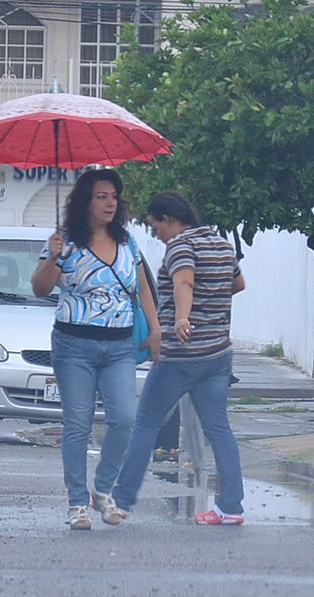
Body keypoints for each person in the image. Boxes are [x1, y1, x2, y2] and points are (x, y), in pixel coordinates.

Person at [31, 168, 160, 531]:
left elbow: (142, 289)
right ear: (85, 201)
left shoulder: (127, 241)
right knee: (77, 423)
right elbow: (41, 288)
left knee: (124, 419)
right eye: (101, 196)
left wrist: (155, 329)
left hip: (119, 344)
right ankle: (77, 502)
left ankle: (102, 490)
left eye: (113, 196)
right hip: (73, 344)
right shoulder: (63, 241)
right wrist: (53, 257)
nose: (109, 203)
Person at [111, 191, 247, 525]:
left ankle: (122, 499)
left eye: (157, 228)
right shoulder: (220, 244)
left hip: (181, 353)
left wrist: (184, 316)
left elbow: (183, 280)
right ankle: (230, 506)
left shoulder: (181, 246)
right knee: (219, 429)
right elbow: (239, 284)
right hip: (217, 352)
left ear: (168, 219)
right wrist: (209, 299)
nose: (158, 235)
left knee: (146, 423)